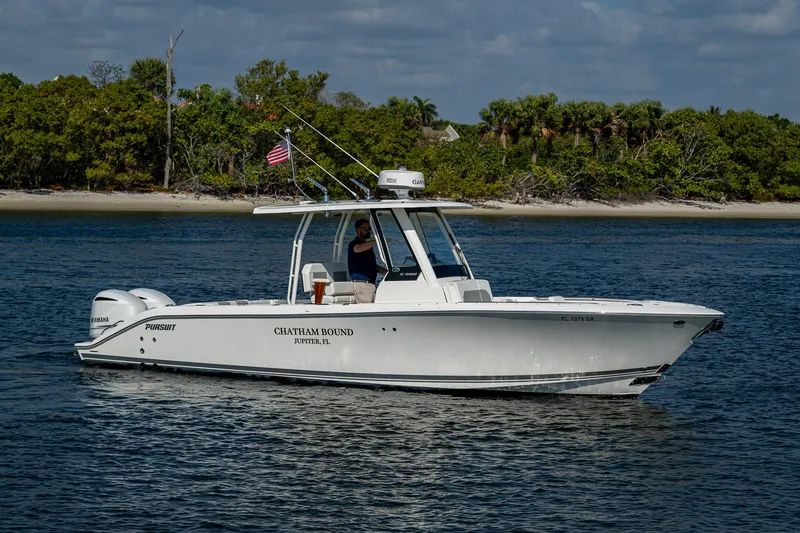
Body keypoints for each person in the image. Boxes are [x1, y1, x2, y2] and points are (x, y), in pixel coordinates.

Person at [348, 218, 387, 303]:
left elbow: (372, 265)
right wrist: (378, 241)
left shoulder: (367, 246)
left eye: (370, 228)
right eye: (366, 229)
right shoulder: (355, 244)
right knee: (366, 309)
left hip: (370, 283)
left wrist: (388, 272)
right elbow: (357, 248)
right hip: (363, 284)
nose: (369, 231)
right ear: (358, 230)